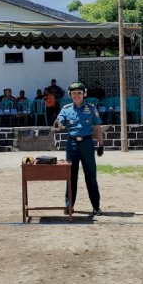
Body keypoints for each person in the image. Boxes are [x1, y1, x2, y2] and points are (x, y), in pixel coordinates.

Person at [54, 81, 105, 215]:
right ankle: (69, 206)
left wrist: (101, 144)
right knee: (70, 176)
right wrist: (58, 125)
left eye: (79, 93)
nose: (76, 95)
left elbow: (97, 128)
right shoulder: (66, 109)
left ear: (84, 94)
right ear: (70, 95)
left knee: (91, 176)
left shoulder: (91, 108)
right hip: (72, 145)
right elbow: (59, 124)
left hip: (87, 144)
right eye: (73, 93)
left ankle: (96, 207)